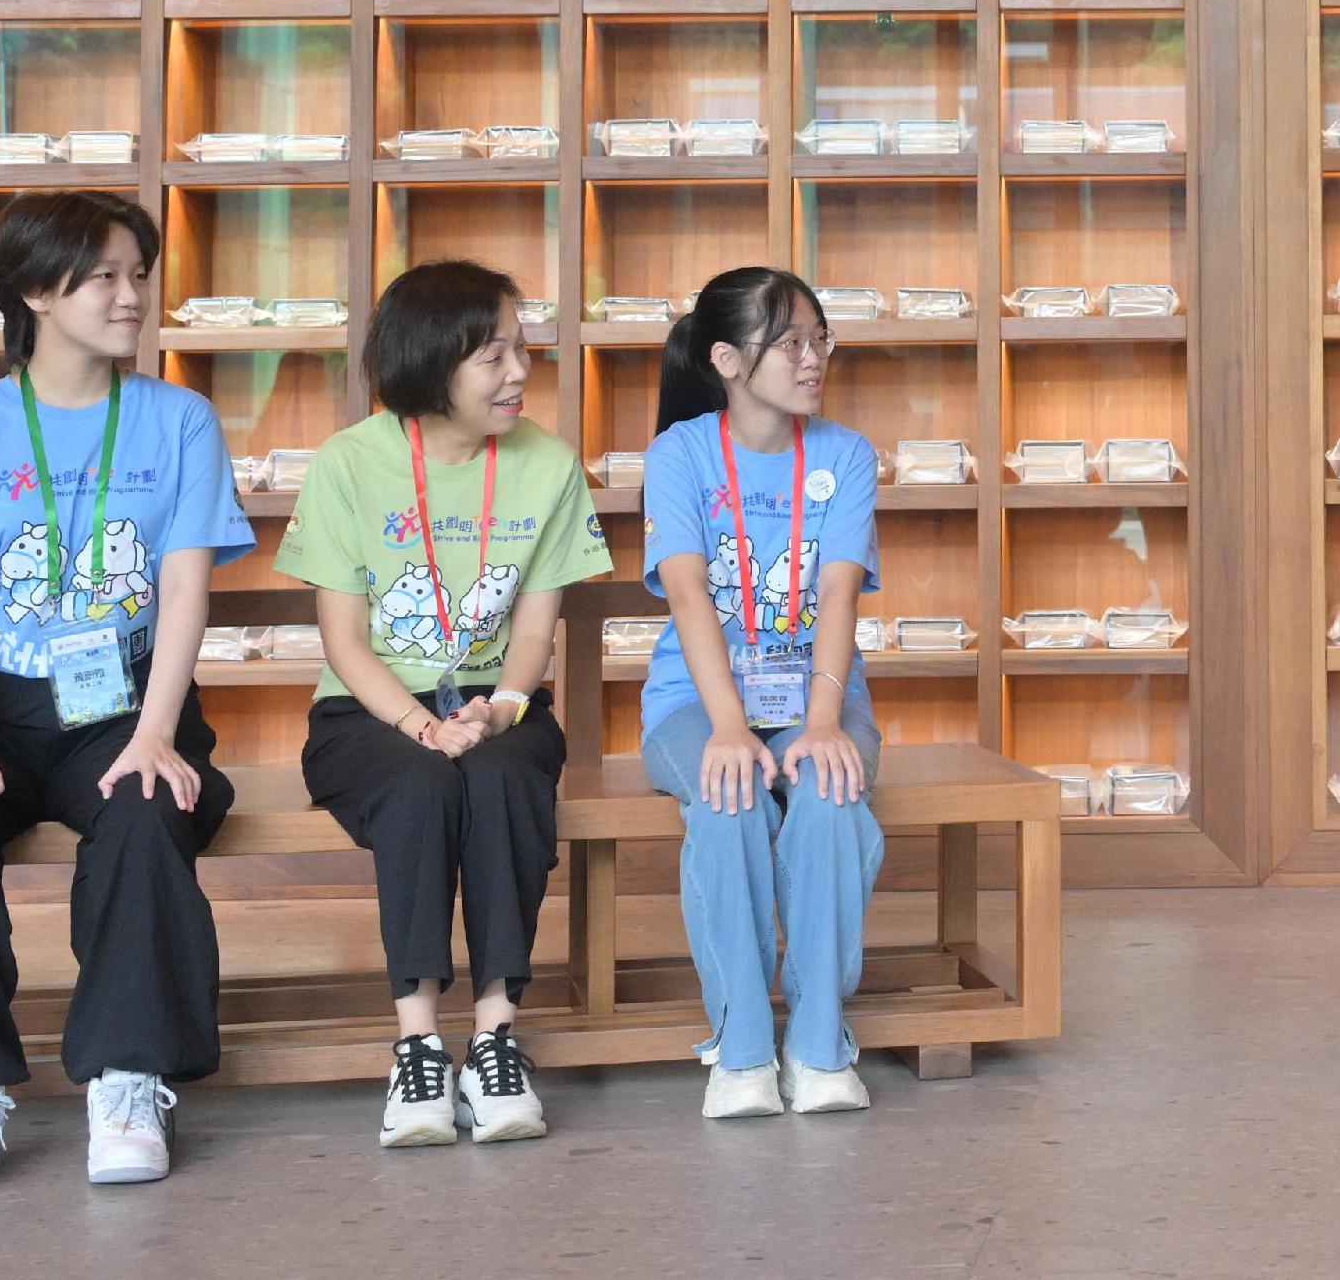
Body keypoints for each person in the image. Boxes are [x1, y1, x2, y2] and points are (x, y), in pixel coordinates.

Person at [0, 191, 253, 1197]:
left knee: (145, 807)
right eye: (107, 278)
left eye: (138, 273)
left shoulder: (179, 420)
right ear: (37, 291)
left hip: (123, 696)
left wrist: (159, 731)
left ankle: (129, 1075)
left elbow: (182, 585)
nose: (133, 296)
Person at [281, 261, 612, 1147]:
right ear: (432, 361)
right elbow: (345, 642)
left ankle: (498, 1033)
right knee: (423, 787)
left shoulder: (546, 462)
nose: (518, 371)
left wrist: (499, 710)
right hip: (369, 709)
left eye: (520, 348)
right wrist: (422, 724)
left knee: (505, 783)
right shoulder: (351, 462)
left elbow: (538, 631)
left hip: (499, 702)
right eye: (492, 354)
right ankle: (418, 1045)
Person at [634, 267, 887, 1118]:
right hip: (695, 703)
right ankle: (739, 1048)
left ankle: (820, 1043)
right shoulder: (680, 455)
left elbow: (841, 596)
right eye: (791, 344)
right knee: (729, 794)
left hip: (819, 693)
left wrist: (822, 724)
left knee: (829, 789)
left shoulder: (848, 457)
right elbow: (688, 597)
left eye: (821, 340)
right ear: (727, 361)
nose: (814, 359)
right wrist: (730, 728)